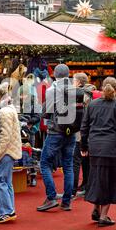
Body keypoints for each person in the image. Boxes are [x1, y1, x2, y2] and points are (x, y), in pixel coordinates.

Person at [80, 77, 116, 227]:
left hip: (95, 146)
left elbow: (84, 127)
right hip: (111, 147)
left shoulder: (93, 104)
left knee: (96, 178)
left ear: (102, 88)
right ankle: (103, 215)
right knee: (110, 180)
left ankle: (96, 208)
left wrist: (84, 146)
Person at [37, 64, 77, 212]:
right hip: (71, 132)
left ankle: (51, 197)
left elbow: (46, 113)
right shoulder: (74, 89)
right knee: (68, 166)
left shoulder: (52, 90)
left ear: (54, 74)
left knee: (45, 163)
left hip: (55, 131)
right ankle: (66, 201)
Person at [0, 83, 22, 224]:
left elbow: (5, 136)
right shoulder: (9, 109)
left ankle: (5, 211)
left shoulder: (4, 112)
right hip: (11, 150)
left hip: (6, 151)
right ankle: (9, 210)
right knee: (5, 181)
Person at [72, 73, 91, 198]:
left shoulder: (80, 95)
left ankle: (73, 188)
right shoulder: (90, 93)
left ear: (79, 82)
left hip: (80, 132)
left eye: (73, 80)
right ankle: (86, 184)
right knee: (85, 160)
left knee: (76, 160)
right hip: (88, 132)